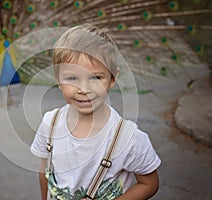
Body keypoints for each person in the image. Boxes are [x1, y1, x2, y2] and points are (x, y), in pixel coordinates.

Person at [30, 24, 161, 200]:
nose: (83, 89)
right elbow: (45, 170)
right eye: (72, 78)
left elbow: (149, 184)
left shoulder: (130, 139)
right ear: (59, 81)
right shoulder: (50, 123)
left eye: (95, 77)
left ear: (113, 78)